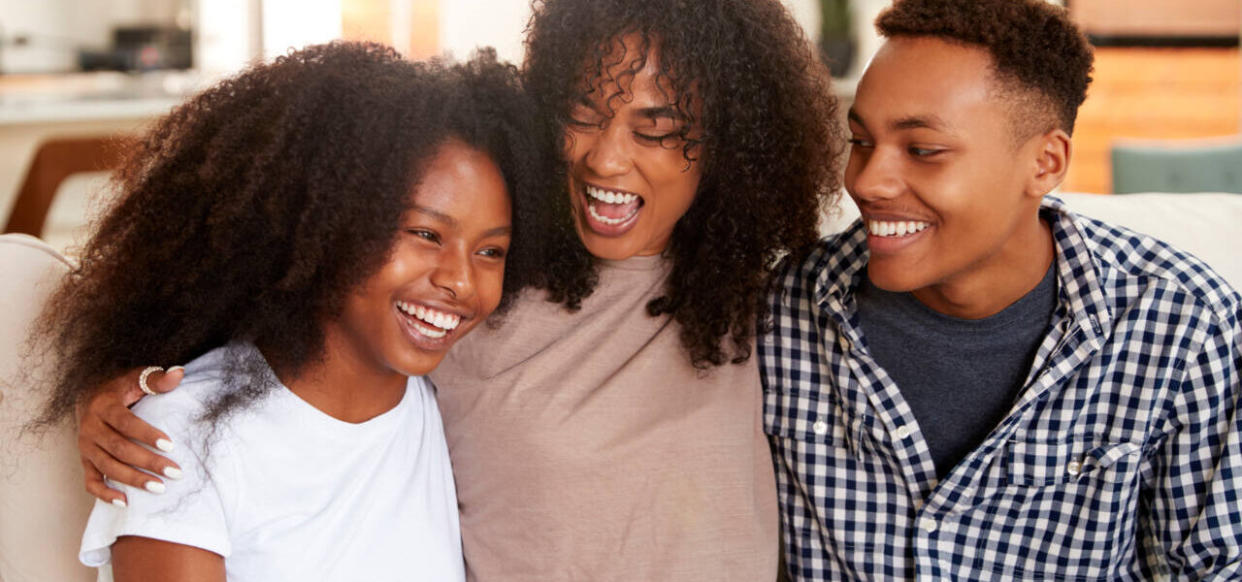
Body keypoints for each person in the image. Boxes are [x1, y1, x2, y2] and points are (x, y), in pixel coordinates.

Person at [70, 0, 843, 579]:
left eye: (654, 128)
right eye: (582, 114)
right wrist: (129, 379)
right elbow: (293, 310)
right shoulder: (476, 304)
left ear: (735, 139)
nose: (606, 161)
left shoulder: (764, 299)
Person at [761, 0, 1242, 579]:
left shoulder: (1185, 325)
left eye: (923, 151)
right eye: (860, 141)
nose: (867, 181)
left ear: (1045, 162)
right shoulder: (781, 312)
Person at [30, 41, 542, 580]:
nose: (461, 281)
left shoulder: (447, 401)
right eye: (425, 233)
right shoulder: (177, 439)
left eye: (491, 251)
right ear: (325, 221)